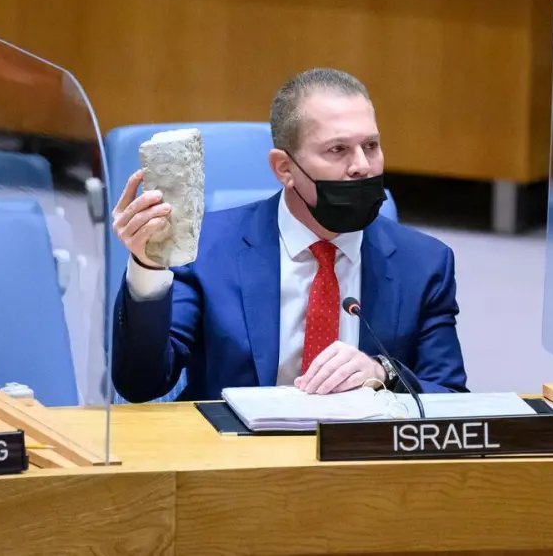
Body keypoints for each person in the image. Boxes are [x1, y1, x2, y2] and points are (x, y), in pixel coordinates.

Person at [111, 68, 469, 403]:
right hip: (237, 459)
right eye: (338, 149)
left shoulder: (424, 263)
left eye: (371, 146)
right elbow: (142, 384)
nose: (362, 165)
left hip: (361, 460)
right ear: (285, 168)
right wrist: (148, 266)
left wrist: (384, 374)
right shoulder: (208, 249)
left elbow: (452, 397)